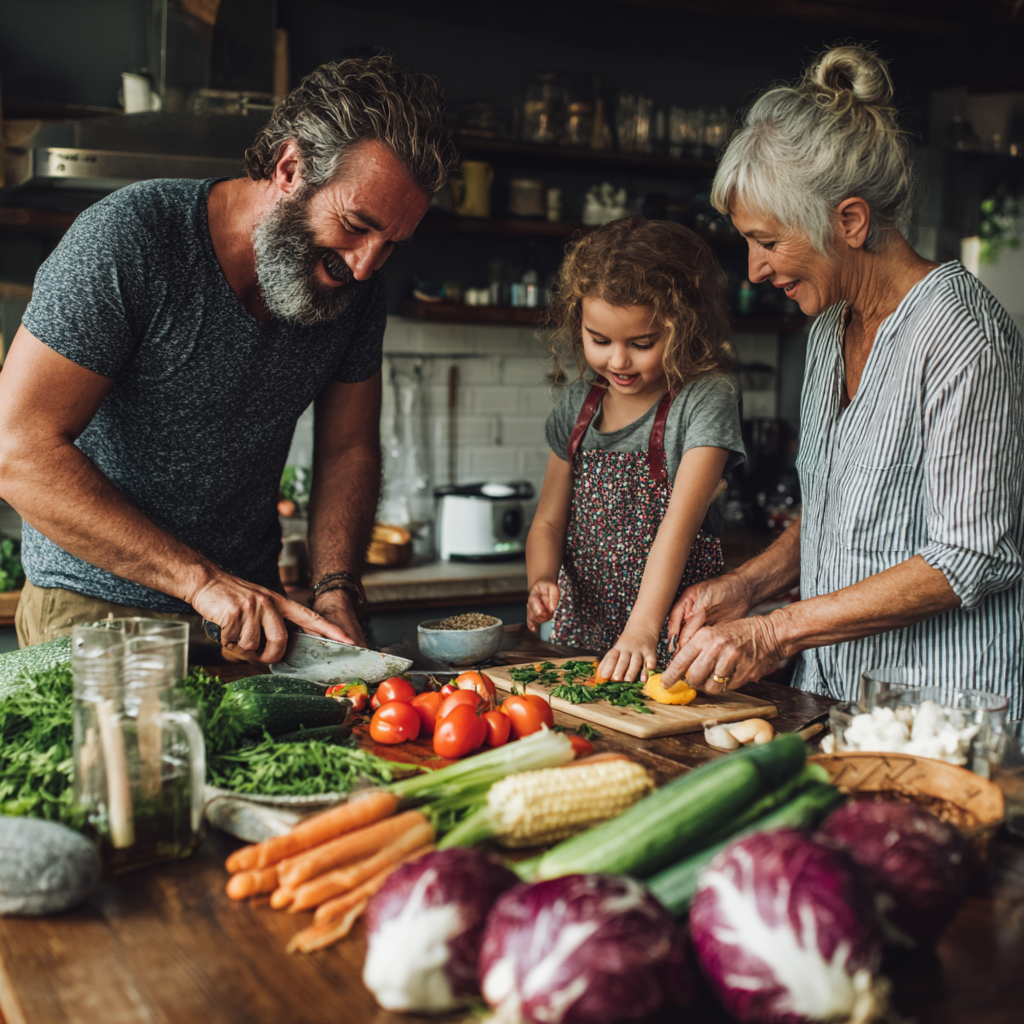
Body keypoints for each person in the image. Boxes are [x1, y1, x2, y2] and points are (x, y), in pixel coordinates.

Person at [0, 57, 459, 662]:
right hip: (95, 610)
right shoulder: (131, 237)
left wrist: (336, 586)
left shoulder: (357, 288)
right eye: (355, 225)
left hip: (250, 621)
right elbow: (18, 450)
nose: (367, 265)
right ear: (290, 168)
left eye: (392, 244)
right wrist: (201, 581)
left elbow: (348, 447)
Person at [660, 45, 1024, 716]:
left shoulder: (962, 335)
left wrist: (775, 629)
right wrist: (748, 585)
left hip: (942, 716)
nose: (754, 270)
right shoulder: (829, 329)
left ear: (849, 221)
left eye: (768, 241)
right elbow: (843, 513)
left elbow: (970, 556)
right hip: (834, 697)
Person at [526, 217, 745, 683]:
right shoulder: (577, 406)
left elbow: (678, 526)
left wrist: (642, 629)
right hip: (580, 638)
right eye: (599, 340)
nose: (618, 361)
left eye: (642, 343)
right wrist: (542, 578)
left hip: (670, 637)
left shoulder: (705, 399)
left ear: (682, 327)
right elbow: (548, 519)